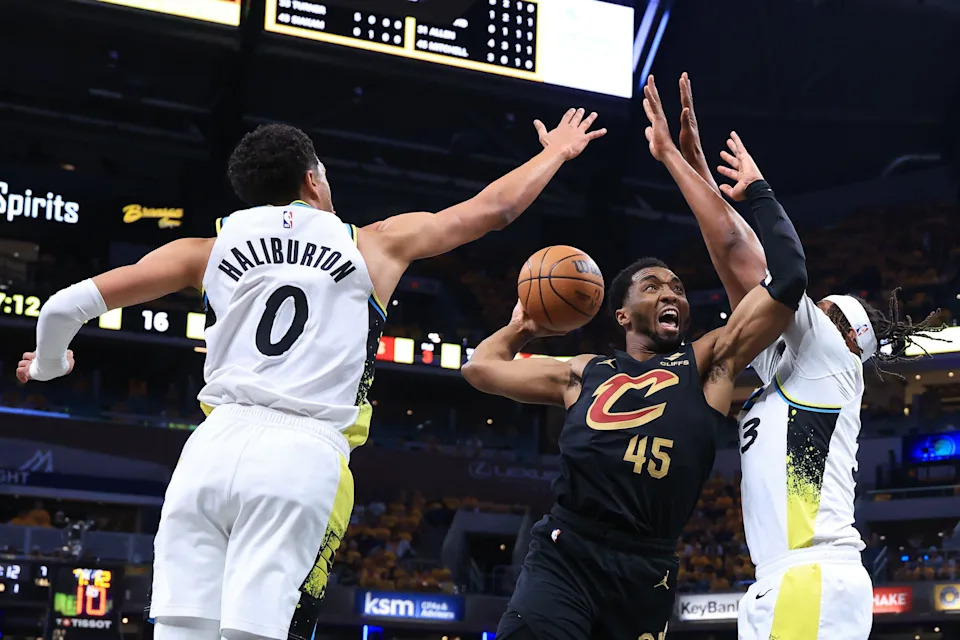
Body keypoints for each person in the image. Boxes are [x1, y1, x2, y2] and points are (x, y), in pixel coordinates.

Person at [15, 109, 607, 640]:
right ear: (312, 179)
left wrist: (49, 365)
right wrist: (555, 151)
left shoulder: (206, 248)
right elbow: (492, 212)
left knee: (180, 632)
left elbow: (65, 306)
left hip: (210, 449)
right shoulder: (372, 245)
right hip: (301, 455)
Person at [460, 80, 809, 640]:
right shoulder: (582, 371)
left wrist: (751, 190)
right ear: (621, 315)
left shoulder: (710, 362)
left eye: (676, 286)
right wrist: (521, 325)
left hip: (646, 568)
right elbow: (480, 368)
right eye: (652, 287)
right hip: (565, 553)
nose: (671, 293)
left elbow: (788, 280)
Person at [648, 72, 944, 640]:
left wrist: (726, 181)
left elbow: (756, 266)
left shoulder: (831, 358)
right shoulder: (789, 371)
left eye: (821, 309)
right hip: (786, 582)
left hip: (812, 577)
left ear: (847, 338)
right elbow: (740, 275)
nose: (802, 314)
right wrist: (696, 174)